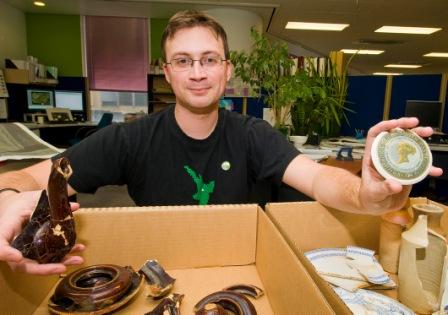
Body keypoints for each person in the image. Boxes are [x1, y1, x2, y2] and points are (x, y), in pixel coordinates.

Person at [0, 10, 442, 275]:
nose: (197, 72)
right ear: (167, 72)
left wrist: (367, 194)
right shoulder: (127, 140)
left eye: (209, 60)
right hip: (163, 271)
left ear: (227, 71)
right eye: (183, 61)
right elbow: (33, 175)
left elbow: (320, 179)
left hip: (247, 270)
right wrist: (6, 194)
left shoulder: (254, 137)